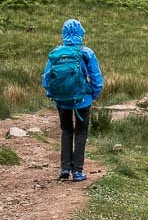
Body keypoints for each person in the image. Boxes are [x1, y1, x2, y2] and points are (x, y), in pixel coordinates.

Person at [42, 19, 103, 182]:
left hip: (62, 101)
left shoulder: (55, 53)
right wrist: (93, 95)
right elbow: (97, 78)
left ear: (63, 33)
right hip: (83, 100)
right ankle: (77, 171)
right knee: (81, 133)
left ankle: (64, 169)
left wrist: (51, 94)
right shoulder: (87, 52)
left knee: (66, 131)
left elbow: (46, 77)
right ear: (81, 32)